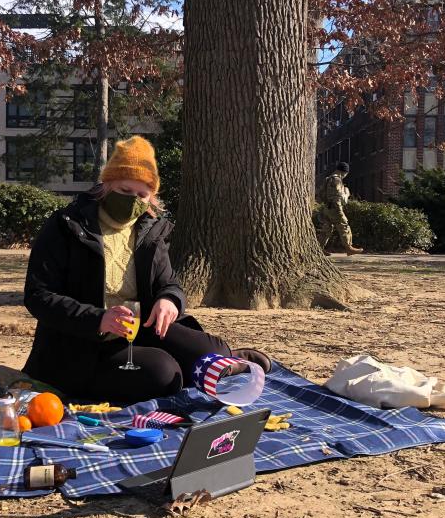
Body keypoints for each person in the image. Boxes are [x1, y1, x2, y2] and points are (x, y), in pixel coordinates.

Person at [23, 135, 270, 406]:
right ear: (106, 185)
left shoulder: (151, 230)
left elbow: (169, 283)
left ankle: (224, 361)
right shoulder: (66, 225)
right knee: (164, 374)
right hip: (81, 343)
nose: (133, 200)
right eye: (125, 191)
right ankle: (191, 369)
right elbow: (38, 296)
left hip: (139, 328)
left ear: (151, 197)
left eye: (142, 195)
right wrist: (98, 319)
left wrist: (170, 301)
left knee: (214, 349)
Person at [317, 161, 363, 255]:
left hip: (327, 207)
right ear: (344, 172)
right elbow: (338, 197)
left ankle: (318, 249)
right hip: (335, 207)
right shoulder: (337, 180)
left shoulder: (328, 179)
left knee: (327, 228)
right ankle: (349, 248)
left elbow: (320, 195)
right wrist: (346, 193)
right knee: (344, 225)